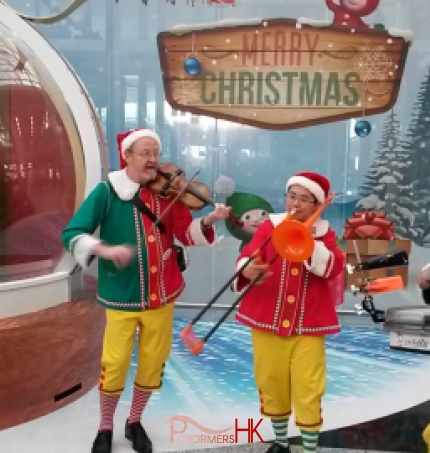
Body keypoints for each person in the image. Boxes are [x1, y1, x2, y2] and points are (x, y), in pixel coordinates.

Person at [62, 128, 231, 453]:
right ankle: (106, 425)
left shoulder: (168, 193)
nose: (154, 160)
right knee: (114, 365)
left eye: (156, 153)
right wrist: (104, 250)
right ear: (127, 156)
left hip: (163, 295)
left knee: (154, 362)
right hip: (122, 296)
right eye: (146, 153)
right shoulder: (107, 192)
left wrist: (208, 220)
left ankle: (134, 420)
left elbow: (185, 234)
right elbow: (73, 232)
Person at [232, 172, 345, 453]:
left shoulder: (325, 234)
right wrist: (247, 268)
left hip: (308, 324)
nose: (295, 203)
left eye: (304, 199)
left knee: (308, 386)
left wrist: (309, 242)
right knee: (271, 381)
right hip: (266, 318)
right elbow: (247, 254)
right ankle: (280, 442)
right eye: (291, 196)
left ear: (317, 204)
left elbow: (334, 267)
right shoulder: (269, 226)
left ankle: (309, 448)